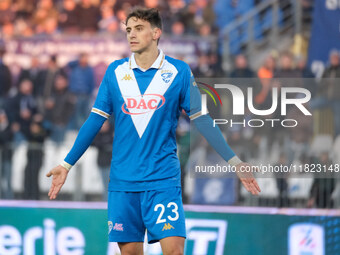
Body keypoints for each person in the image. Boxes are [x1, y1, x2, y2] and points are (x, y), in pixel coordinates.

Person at [46, 8, 261, 255]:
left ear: (156, 33)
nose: (131, 35)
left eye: (138, 29)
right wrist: (66, 164)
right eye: (128, 30)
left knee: (174, 252)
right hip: (123, 182)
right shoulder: (115, 72)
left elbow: (201, 120)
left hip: (162, 179)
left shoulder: (179, 72)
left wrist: (234, 161)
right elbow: (94, 121)